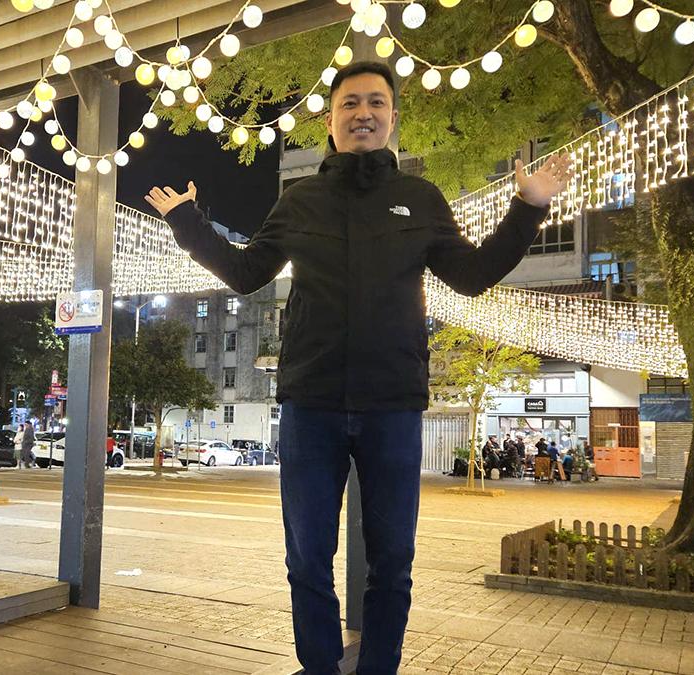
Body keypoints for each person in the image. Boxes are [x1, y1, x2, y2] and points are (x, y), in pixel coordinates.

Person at [144, 60, 571, 674]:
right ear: (331, 120)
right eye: (350, 103)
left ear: (393, 118)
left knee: (393, 561)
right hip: (309, 405)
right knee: (306, 559)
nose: (362, 113)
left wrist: (528, 208)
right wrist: (188, 222)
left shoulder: (420, 199)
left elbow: (472, 276)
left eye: (375, 102)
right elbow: (245, 273)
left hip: (392, 405)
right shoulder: (300, 199)